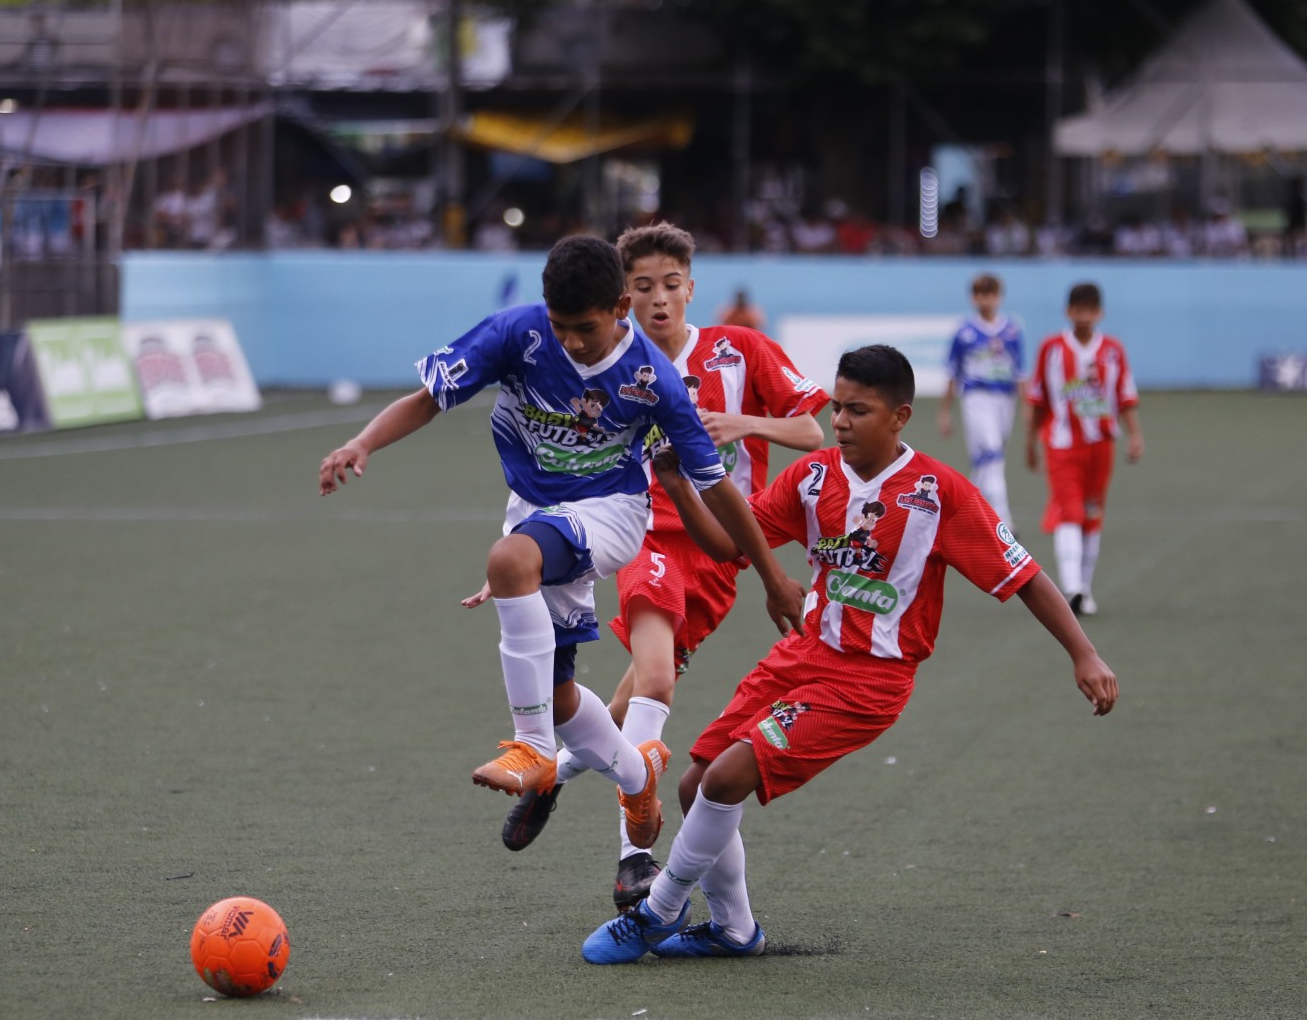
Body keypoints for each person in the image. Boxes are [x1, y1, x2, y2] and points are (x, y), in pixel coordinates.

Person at [580, 345, 1118, 964]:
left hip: (869, 682)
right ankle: (734, 930)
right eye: (836, 407)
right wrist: (676, 483)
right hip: (802, 655)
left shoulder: (936, 492)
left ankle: (658, 912)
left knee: (725, 779)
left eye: (857, 410)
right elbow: (729, 544)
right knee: (697, 783)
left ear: (900, 416)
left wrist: (1085, 653)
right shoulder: (811, 478)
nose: (838, 421)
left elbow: (1022, 574)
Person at [318, 235, 806, 857]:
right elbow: (428, 400)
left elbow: (720, 490)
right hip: (534, 511)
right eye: (560, 326)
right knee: (561, 692)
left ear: (619, 307)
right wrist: (362, 443)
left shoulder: (652, 379)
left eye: (586, 328)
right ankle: (637, 780)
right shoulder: (515, 333)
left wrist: (770, 577)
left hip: (613, 513)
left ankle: (534, 749)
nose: (571, 341)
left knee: (510, 560)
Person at [481, 222, 828, 911]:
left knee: (627, 698)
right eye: (643, 287)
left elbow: (813, 429)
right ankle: (634, 857)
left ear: (691, 289)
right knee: (659, 682)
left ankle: (553, 775)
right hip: (648, 538)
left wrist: (745, 425)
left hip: (720, 552)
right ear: (621, 299)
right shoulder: (611, 367)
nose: (659, 300)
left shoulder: (740, 350)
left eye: (671, 285)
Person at [1024, 283, 1142, 616]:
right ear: (1068, 312)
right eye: (1079, 309)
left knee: (1091, 515)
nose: (1084, 316)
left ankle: (1084, 590)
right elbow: (1036, 398)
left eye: (1091, 310)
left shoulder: (1113, 351)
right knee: (1069, 511)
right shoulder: (1052, 349)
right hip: (1061, 445)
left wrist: (1135, 436)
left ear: (1100, 313)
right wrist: (1029, 442)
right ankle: (1071, 585)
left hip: (1101, 445)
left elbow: (1126, 396)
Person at [938, 273, 1025, 530]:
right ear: (973, 297)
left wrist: (1028, 407)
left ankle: (967, 509)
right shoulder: (964, 332)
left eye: (991, 293)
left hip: (1005, 399)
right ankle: (1002, 520)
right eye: (980, 294)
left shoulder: (1012, 329)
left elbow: (1020, 371)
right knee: (992, 452)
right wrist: (945, 412)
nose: (986, 299)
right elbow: (953, 375)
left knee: (984, 459)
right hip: (976, 397)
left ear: (999, 297)